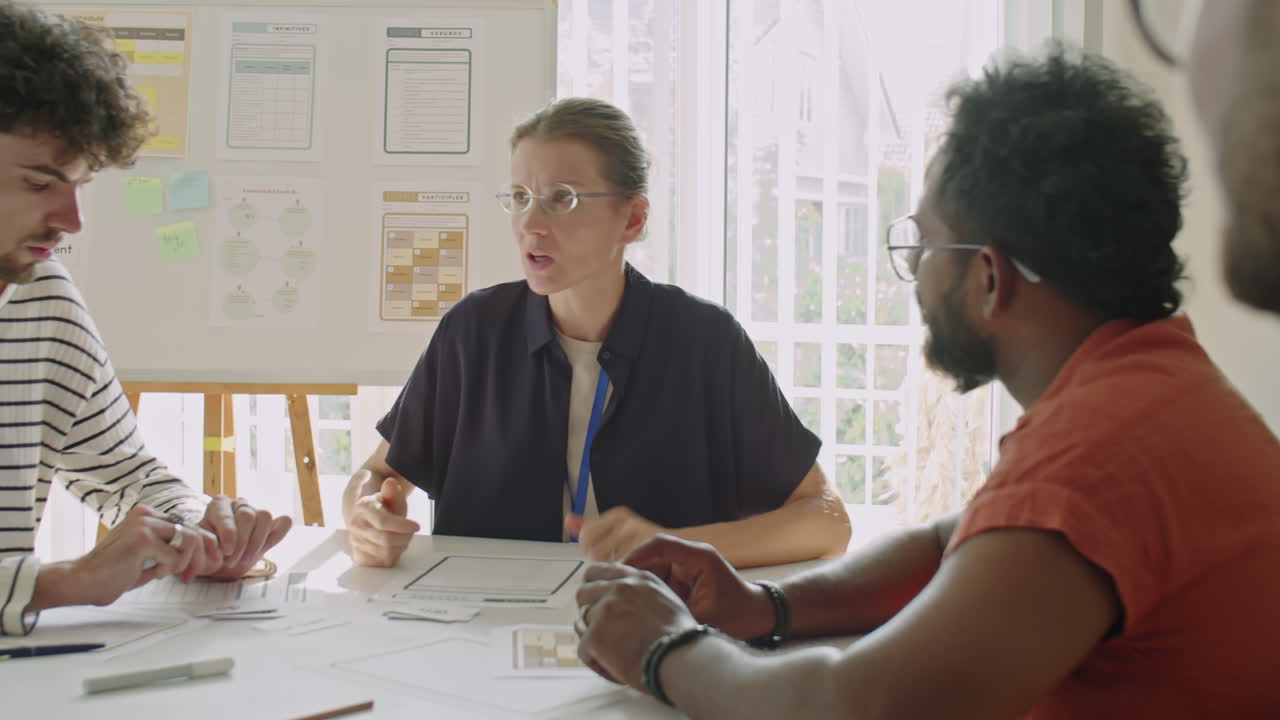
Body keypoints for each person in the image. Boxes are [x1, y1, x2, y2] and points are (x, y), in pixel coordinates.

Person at [572, 48, 1280, 718]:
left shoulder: (1097, 456)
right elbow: (958, 541)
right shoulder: (1156, 387)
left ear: (989, 276)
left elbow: (856, 706)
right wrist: (766, 607)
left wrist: (662, 647)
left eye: (923, 243)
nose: (913, 271)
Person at [343, 98, 850, 569]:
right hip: (484, 633)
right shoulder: (474, 331)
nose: (531, 223)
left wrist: (678, 547)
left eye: (561, 199)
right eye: (520, 197)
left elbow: (826, 520)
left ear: (632, 219)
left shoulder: (705, 341)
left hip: (652, 627)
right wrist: (365, 514)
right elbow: (380, 475)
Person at [0, 0, 290, 636]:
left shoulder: (41, 296)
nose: (71, 220)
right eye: (40, 183)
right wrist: (59, 583)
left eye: (79, 184)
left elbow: (125, 473)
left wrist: (196, 527)